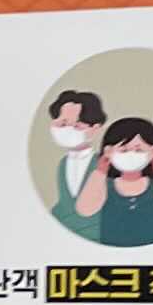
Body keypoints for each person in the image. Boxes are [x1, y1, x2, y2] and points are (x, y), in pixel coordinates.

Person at [71, 113, 153, 244]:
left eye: (139, 150)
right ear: (108, 151)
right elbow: (85, 210)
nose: (131, 155)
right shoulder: (105, 186)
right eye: (123, 150)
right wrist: (100, 172)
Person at [42, 87, 103, 226]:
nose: (68, 130)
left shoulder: (102, 164)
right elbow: (64, 204)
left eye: (77, 126)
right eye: (63, 123)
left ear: (95, 129)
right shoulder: (63, 164)